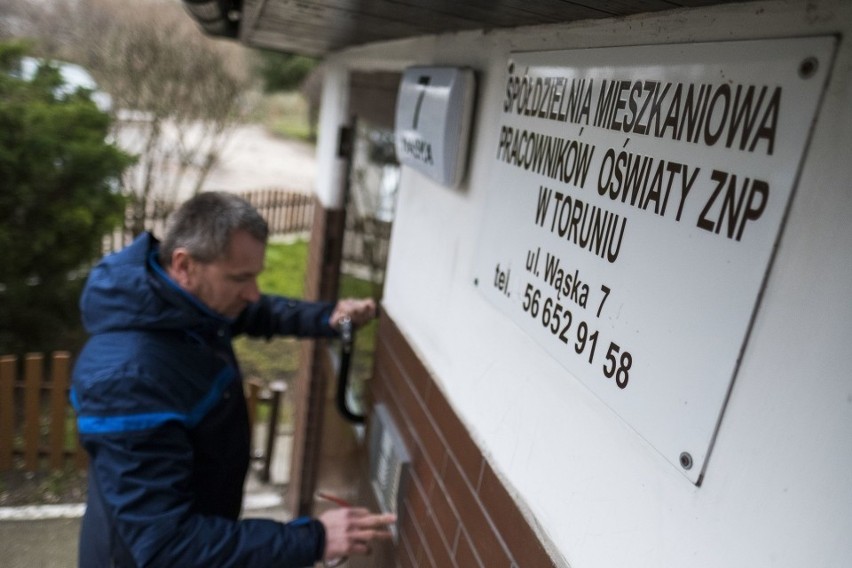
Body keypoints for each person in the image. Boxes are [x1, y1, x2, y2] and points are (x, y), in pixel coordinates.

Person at [71, 191, 395, 567]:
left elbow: (251, 313)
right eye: (240, 278)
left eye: (254, 276)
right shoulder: (129, 383)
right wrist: (314, 540)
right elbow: (167, 547)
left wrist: (325, 317)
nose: (253, 292)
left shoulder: (175, 303)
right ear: (184, 265)